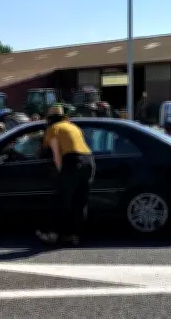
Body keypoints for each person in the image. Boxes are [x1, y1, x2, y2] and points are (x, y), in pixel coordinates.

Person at [37, 105, 95, 246]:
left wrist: (60, 173)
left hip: (72, 161)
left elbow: (57, 155)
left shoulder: (53, 129)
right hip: (89, 161)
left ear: (50, 120)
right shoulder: (73, 127)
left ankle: (53, 234)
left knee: (62, 200)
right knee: (80, 201)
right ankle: (75, 236)